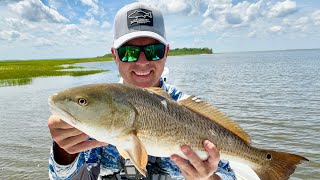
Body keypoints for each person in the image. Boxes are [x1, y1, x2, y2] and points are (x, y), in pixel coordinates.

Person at [48, 2, 236, 180]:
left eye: (154, 50)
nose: (142, 62)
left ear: (166, 53)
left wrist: (209, 177)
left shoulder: (187, 108)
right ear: (115, 55)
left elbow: (229, 174)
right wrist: (64, 151)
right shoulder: (97, 109)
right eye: (129, 52)